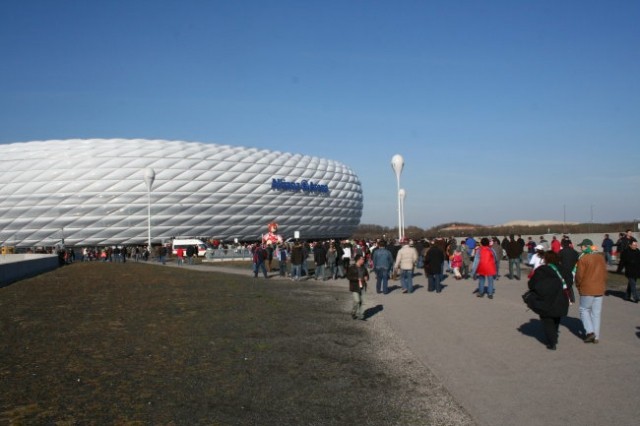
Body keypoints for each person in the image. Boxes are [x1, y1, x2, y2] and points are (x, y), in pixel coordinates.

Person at [526, 251, 570, 350]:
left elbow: (532, 284)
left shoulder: (541, 270)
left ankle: (552, 341)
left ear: (545, 259)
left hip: (545, 298)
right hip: (560, 297)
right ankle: (554, 335)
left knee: (547, 320)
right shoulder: (562, 269)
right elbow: (569, 282)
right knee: (556, 318)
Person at [574, 239, 607, 344]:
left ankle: (590, 332)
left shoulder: (583, 258)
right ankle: (596, 336)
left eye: (582, 246)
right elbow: (605, 273)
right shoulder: (601, 258)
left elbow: (579, 276)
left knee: (584, 310)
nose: (581, 248)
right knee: (596, 313)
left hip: (587, 288)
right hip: (599, 288)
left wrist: (578, 286)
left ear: (586, 246)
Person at [347, 254, 369, 320]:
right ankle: (353, 312)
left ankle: (360, 315)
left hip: (363, 286)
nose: (363, 260)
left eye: (363, 259)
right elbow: (348, 276)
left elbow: (366, 275)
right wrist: (357, 278)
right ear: (358, 260)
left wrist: (366, 277)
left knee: (361, 301)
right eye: (362, 259)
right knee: (357, 301)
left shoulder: (363, 267)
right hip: (354, 286)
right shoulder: (351, 267)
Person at [558, 239, 579, 303]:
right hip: (573, 270)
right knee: (569, 284)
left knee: (564, 284)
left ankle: (566, 298)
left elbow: (558, 260)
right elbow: (577, 261)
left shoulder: (561, 252)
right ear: (569, 245)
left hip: (564, 270)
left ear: (563, 245)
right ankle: (571, 298)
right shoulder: (575, 252)